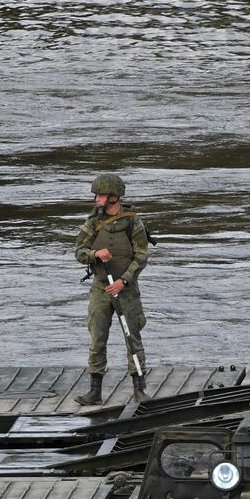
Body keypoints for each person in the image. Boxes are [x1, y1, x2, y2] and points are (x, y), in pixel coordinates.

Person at [74, 173, 150, 404]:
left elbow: (142, 256)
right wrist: (95, 254)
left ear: (114, 198)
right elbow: (79, 252)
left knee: (132, 338)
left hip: (126, 290)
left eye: (101, 195)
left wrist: (124, 280)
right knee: (97, 339)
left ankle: (139, 389)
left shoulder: (133, 222)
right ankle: (95, 391)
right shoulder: (92, 223)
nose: (97, 199)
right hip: (100, 288)